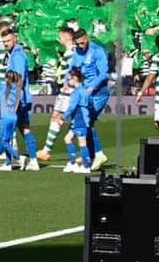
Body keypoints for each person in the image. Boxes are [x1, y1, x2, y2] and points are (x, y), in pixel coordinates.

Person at [0, 26, 39, 170]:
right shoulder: (15, 54)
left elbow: (19, 80)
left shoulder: (18, 56)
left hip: (18, 99)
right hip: (21, 98)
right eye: (4, 41)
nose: (6, 44)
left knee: (8, 129)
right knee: (24, 129)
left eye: (8, 40)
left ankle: (10, 162)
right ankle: (33, 161)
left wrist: (15, 102)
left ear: (15, 39)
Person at [70, 29, 110, 170]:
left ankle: (98, 154)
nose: (81, 46)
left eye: (82, 43)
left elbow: (104, 73)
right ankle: (92, 155)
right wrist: (66, 82)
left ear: (86, 38)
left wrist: (92, 87)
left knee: (86, 122)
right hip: (84, 93)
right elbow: (73, 69)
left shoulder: (97, 51)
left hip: (99, 93)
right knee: (87, 123)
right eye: (78, 44)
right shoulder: (76, 52)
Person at [39, 26, 76, 161]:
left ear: (66, 37)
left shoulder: (72, 52)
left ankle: (47, 150)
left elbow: (75, 71)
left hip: (69, 92)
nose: (59, 39)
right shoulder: (69, 52)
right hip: (66, 90)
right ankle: (46, 150)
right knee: (57, 117)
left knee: (58, 117)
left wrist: (69, 85)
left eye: (60, 37)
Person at [58, 67, 93, 173]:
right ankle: (73, 163)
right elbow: (90, 103)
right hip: (81, 118)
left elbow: (72, 107)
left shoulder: (77, 92)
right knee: (67, 138)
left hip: (79, 118)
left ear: (75, 78)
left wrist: (63, 118)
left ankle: (86, 166)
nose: (68, 81)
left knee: (82, 142)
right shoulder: (84, 91)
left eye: (69, 79)